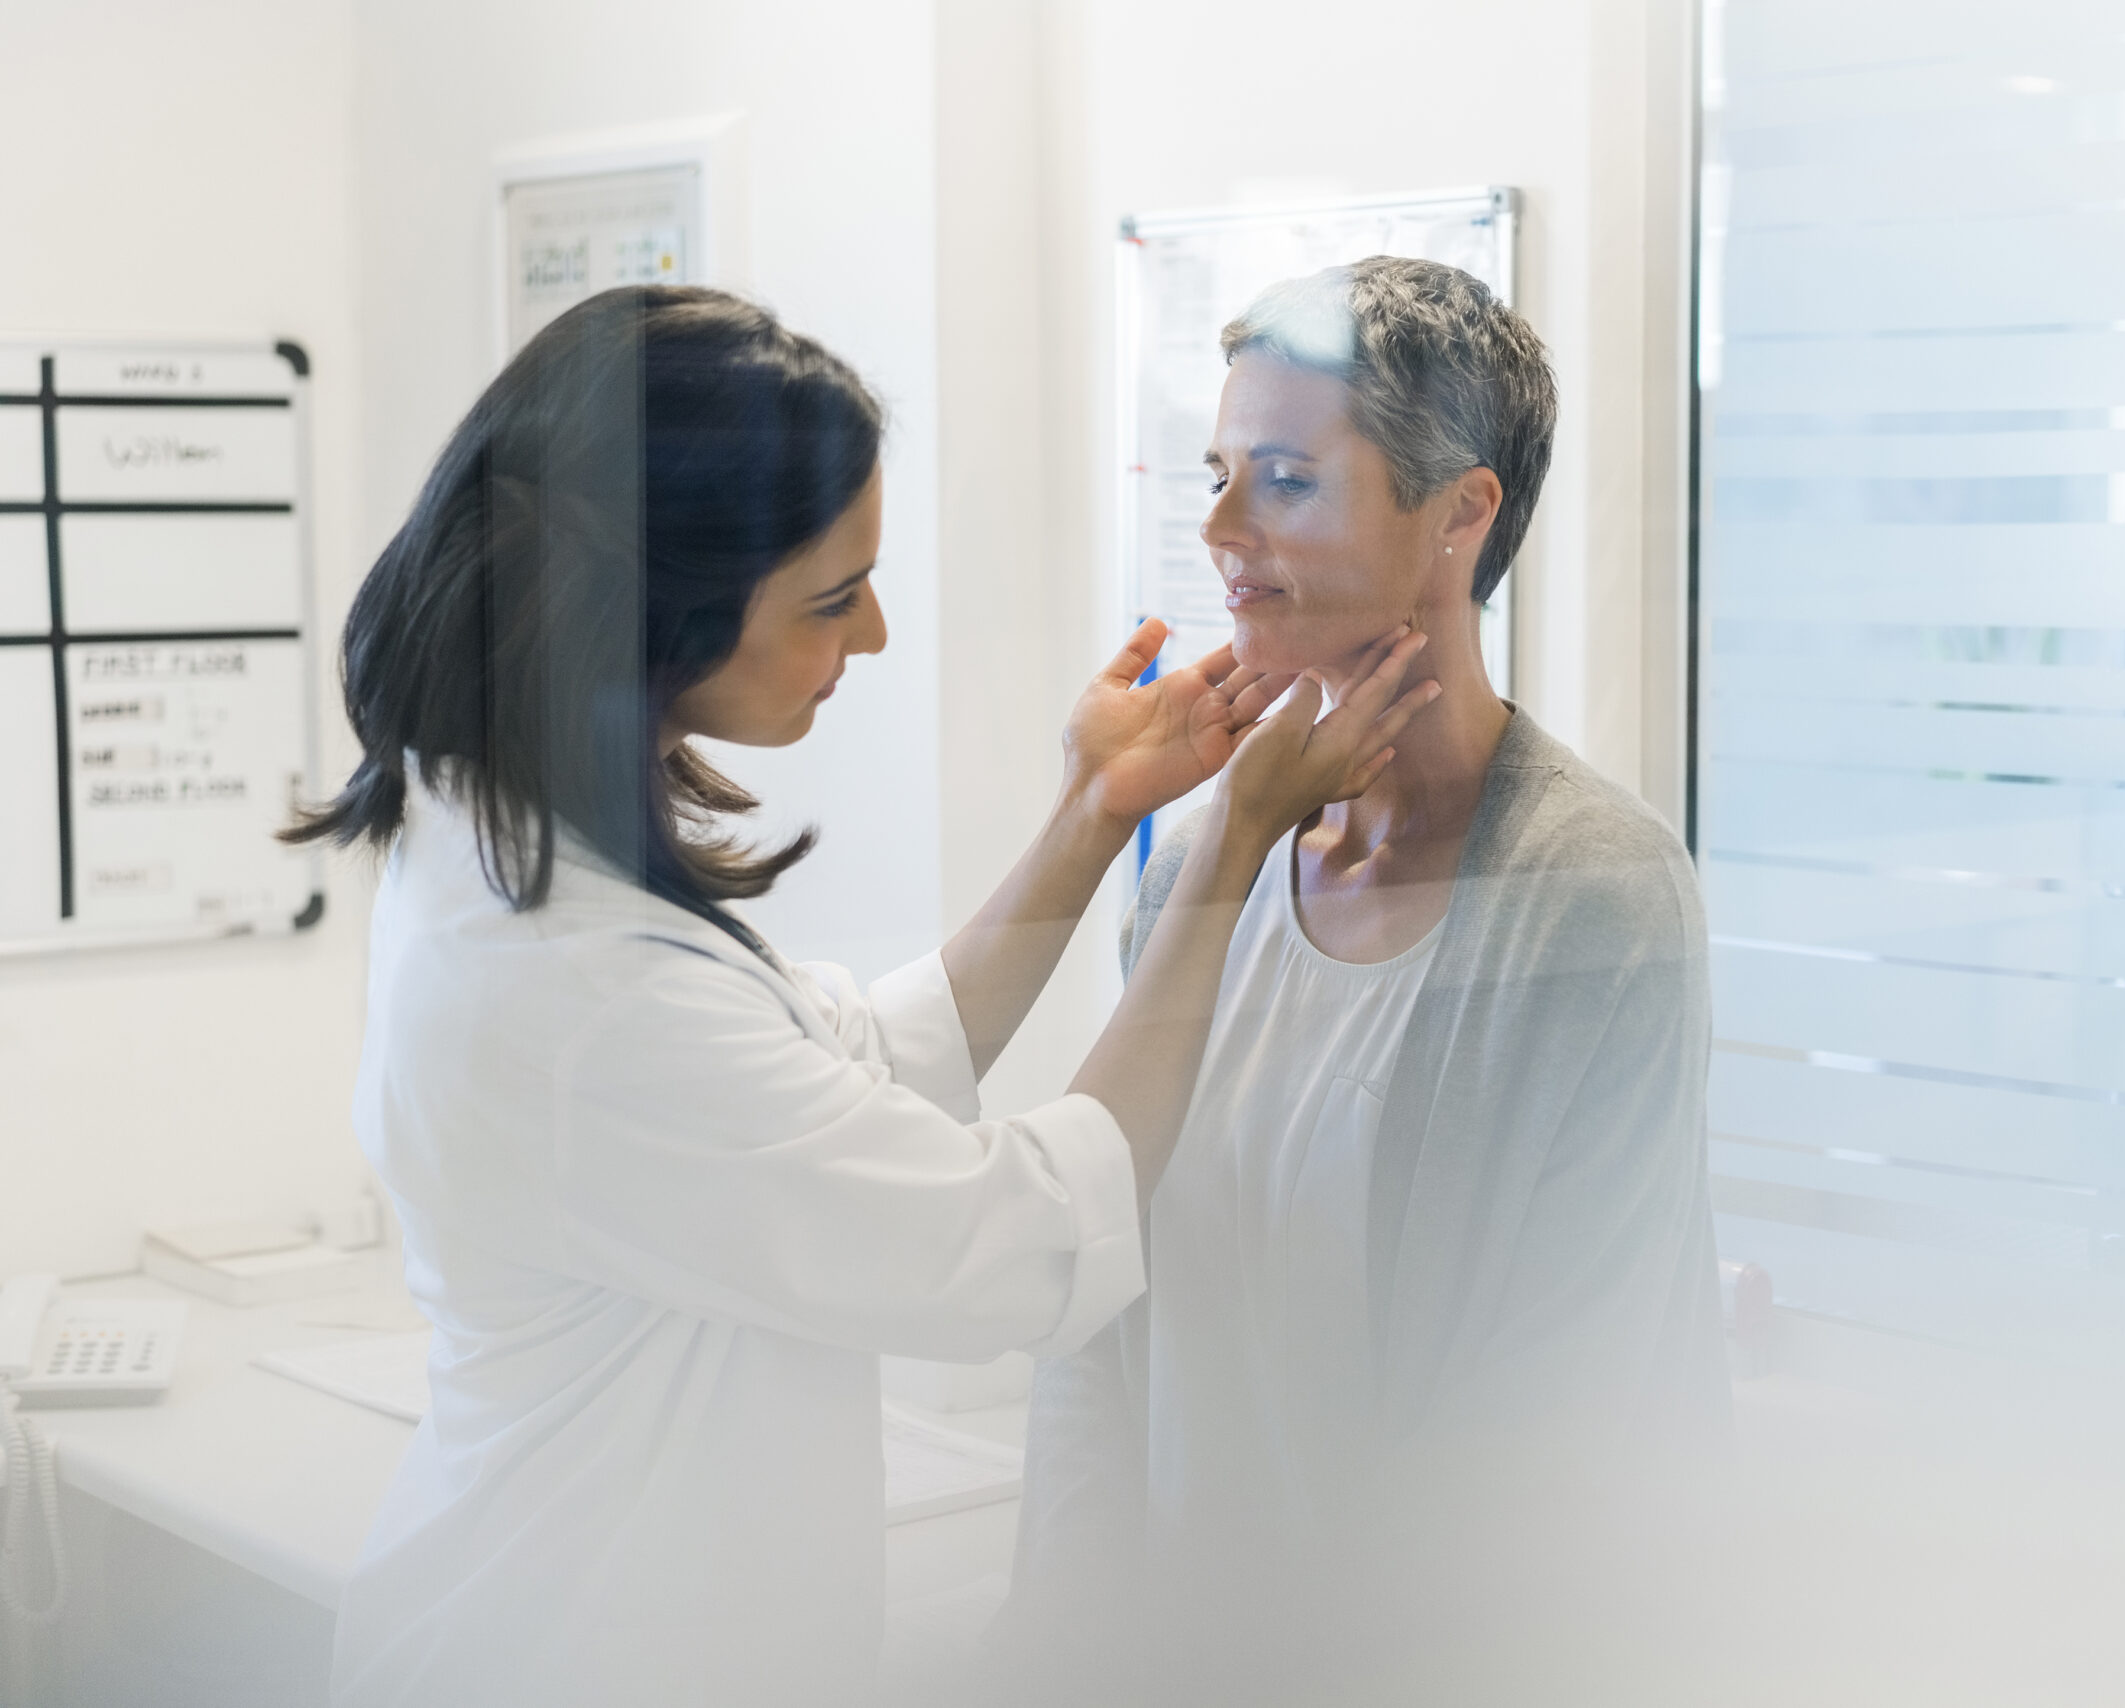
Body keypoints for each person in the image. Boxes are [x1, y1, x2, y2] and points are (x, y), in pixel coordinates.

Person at [288, 285, 1435, 1708]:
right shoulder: (574, 987)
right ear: (650, 609)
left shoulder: (505, 840)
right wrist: (1226, 850)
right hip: (571, 1646)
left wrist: (1094, 813)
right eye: (833, 598)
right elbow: (1013, 1241)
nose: (877, 634)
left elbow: (852, 1070)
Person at [1002, 257, 1727, 1704]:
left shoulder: (1595, 899)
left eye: (1281, 479)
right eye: (1217, 474)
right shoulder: (1197, 871)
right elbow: (1090, 1310)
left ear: (1461, 515)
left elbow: (1550, 1440)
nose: (1216, 530)